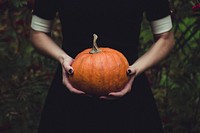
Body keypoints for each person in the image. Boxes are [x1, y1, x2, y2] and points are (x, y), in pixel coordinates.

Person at [30, 0, 174, 132]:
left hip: (128, 86)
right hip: (72, 84)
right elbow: (38, 32)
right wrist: (63, 59)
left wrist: (135, 69)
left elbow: (165, 38)